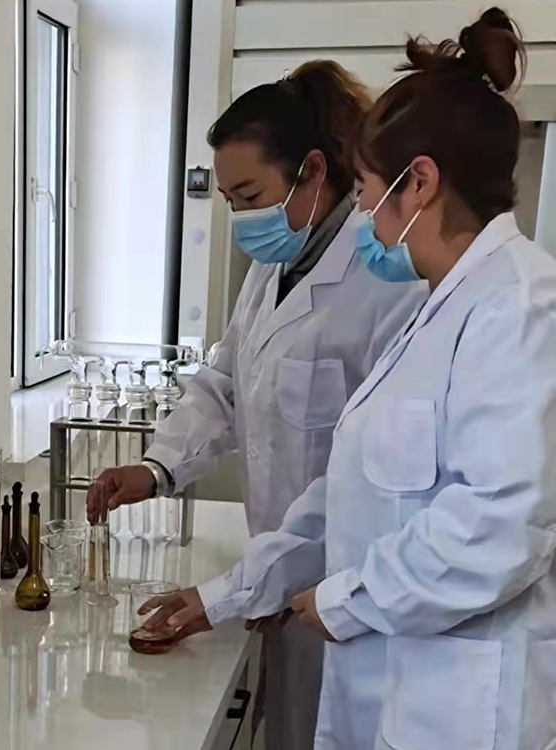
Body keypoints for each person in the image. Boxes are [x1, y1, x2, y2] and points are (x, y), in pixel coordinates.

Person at [137, 8, 556, 749]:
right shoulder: (443, 309)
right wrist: (229, 593)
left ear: (418, 183)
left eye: (365, 186)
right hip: (393, 678)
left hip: (459, 706)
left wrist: (347, 599)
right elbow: (349, 495)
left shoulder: (520, 307)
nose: (360, 208)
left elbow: (499, 526)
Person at [87, 63, 426, 749]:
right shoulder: (271, 269)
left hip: (345, 597)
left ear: (312, 171)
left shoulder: (386, 284)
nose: (244, 219)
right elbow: (226, 382)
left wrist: (235, 591)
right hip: (279, 580)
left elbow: (359, 483)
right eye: (231, 201)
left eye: (251, 195)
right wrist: (155, 468)